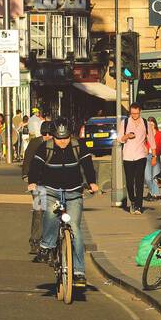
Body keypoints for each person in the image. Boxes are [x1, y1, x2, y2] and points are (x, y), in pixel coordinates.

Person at [28, 120, 101, 287]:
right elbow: (35, 166)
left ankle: (79, 272)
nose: (62, 141)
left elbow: (88, 165)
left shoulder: (78, 146)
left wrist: (92, 183)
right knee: (50, 216)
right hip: (52, 192)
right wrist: (32, 182)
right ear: (53, 136)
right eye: (59, 138)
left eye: (66, 138)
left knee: (75, 227)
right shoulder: (45, 147)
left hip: (74, 193)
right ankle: (47, 245)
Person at [21, 120, 53, 256]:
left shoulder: (56, 144)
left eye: (51, 134)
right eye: (46, 134)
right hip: (38, 182)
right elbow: (27, 160)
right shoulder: (35, 143)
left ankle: (51, 241)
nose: (49, 137)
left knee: (53, 212)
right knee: (39, 210)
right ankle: (35, 241)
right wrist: (26, 176)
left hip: (52, 181)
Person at [118, 103, 150, 214]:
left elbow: (150, 138)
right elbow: (119, 138)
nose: (134, 115)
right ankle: (132, 200)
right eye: (132, 113)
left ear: (140, 111)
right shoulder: (125, 122)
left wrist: (154, 154)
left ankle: (138, 206)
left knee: (139, 181)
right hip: (128, 156)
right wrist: (127, 136)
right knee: (130, 182)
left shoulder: (145, 123)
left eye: (136, 113)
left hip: (141, 155)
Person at [145, 116, 161, 202]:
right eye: (149, 125)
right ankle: (154, 193)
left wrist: (155, 155)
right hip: (147, 155)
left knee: (155, 176)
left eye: (152, 125)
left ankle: (155, 194)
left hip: (155, 156)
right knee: (148, 177)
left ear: (155, 124)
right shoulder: (145, 134)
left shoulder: (159, 133)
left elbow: (160, 146)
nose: (151, 127)